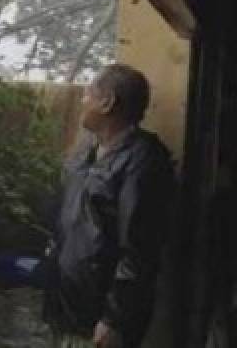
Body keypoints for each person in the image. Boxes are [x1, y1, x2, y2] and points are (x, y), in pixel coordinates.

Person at [44, 63, 175, 348]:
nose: (82, 100)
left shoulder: (143, 162)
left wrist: (115, 319)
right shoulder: (84, 155)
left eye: (89, 93)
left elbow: (140, 251)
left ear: (108, 102)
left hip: (100, 321)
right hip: (66, 311)